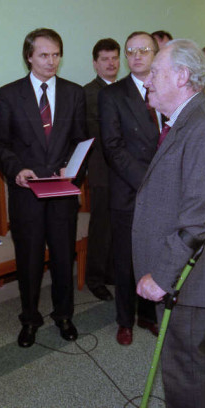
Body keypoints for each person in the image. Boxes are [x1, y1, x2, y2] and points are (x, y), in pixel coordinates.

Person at [133, 39, 205, 408]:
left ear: (181, 76)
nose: (147, 80)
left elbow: (198, 219)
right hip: (188, 272)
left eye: (155, 73)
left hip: (195, 276)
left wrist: (161, 276)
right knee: (180, 361)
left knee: (186, 367)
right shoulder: (187, 121)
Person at [0, 28, 87, 348]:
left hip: (61, 190)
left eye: (56, 54)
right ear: (29, 56)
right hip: (27, 193)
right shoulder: (7, 95)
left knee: (63, 258)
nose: (51, 61)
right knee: (29, 260)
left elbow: (82, 140)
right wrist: (16, 170)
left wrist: (73, 170)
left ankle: (64, 315)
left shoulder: (75, 93)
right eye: (44, 55)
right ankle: (30, 319)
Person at [99, 31, 161, 345]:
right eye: (131, 51)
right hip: (129, 190)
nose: (136, 56)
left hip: (164, 194)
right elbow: (113, 147)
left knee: (153, 257)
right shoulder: (113, 95)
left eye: (143, 50)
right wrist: (147, 182)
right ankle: (125, 320)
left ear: (156, 53)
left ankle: (148, 314)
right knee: (126, 261)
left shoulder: (167, 88)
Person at [83, 38, 121, 301]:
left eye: (115, 58)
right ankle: (94, 278)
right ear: (95, 63)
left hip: (124, 170)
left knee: (119, 225)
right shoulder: (88, 93)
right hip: (101, 168)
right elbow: (97, 133)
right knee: (101, 226)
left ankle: (112, 272)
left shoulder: (125, 89)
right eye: (105, 59)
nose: (111, 63)